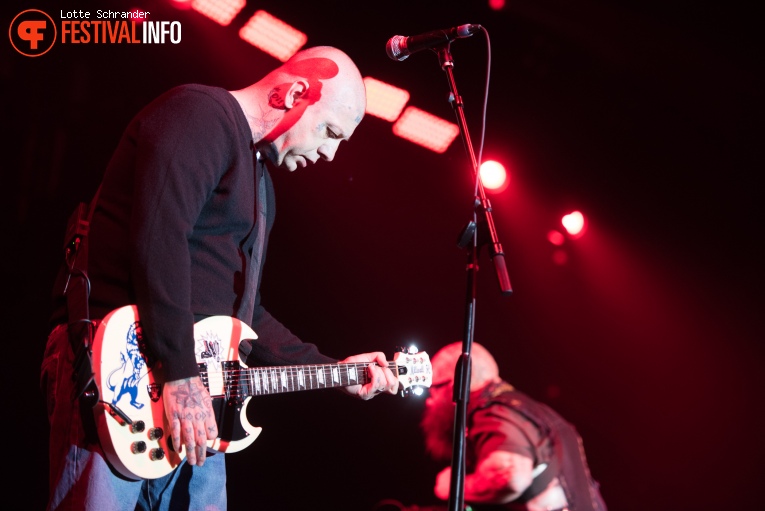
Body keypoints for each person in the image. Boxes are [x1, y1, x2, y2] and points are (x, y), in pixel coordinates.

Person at [41, 45, 400, 511]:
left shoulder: (261, 183)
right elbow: (158, 239)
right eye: (330, 131)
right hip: (122, 375)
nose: (330, 153)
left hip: (190, 387)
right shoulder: (200, 114)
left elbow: (240, 314)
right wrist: (180, 375)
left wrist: (335, 370)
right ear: (294, 93)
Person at [418, 341, 607, 511]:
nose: (430, 401)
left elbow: (510, 477)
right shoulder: (534, 409)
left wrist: (454, 484)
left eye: (434, 389)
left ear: (455, 383)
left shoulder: (491, 411)